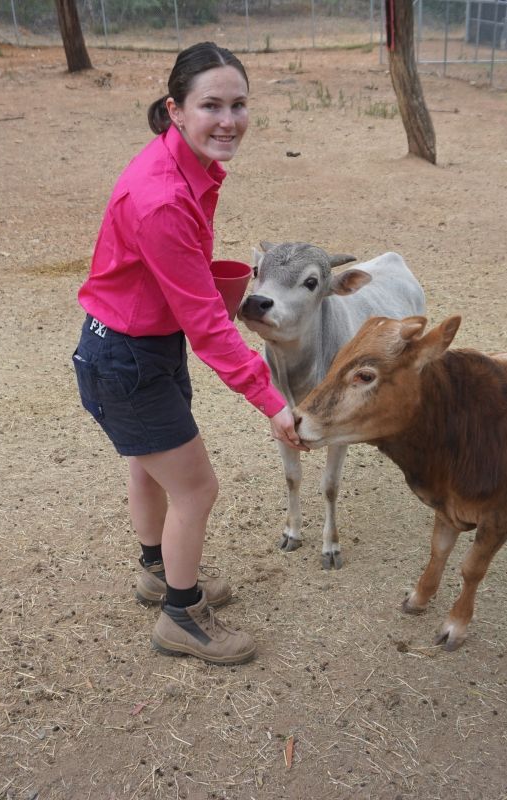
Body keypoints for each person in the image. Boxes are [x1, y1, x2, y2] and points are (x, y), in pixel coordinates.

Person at [72, 42, 305, 666]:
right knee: (196, 490)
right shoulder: (164, 197)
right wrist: (273, 402)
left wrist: (202, 279)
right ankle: (181, 613)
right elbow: (205, 325)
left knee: (148, 465)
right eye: (211, 106)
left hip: (128, 346)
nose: (228, 120)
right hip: (126, 360)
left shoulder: (186, 167)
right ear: (175, 109)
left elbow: (182, 288)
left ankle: (155, 570)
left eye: (238, 104)